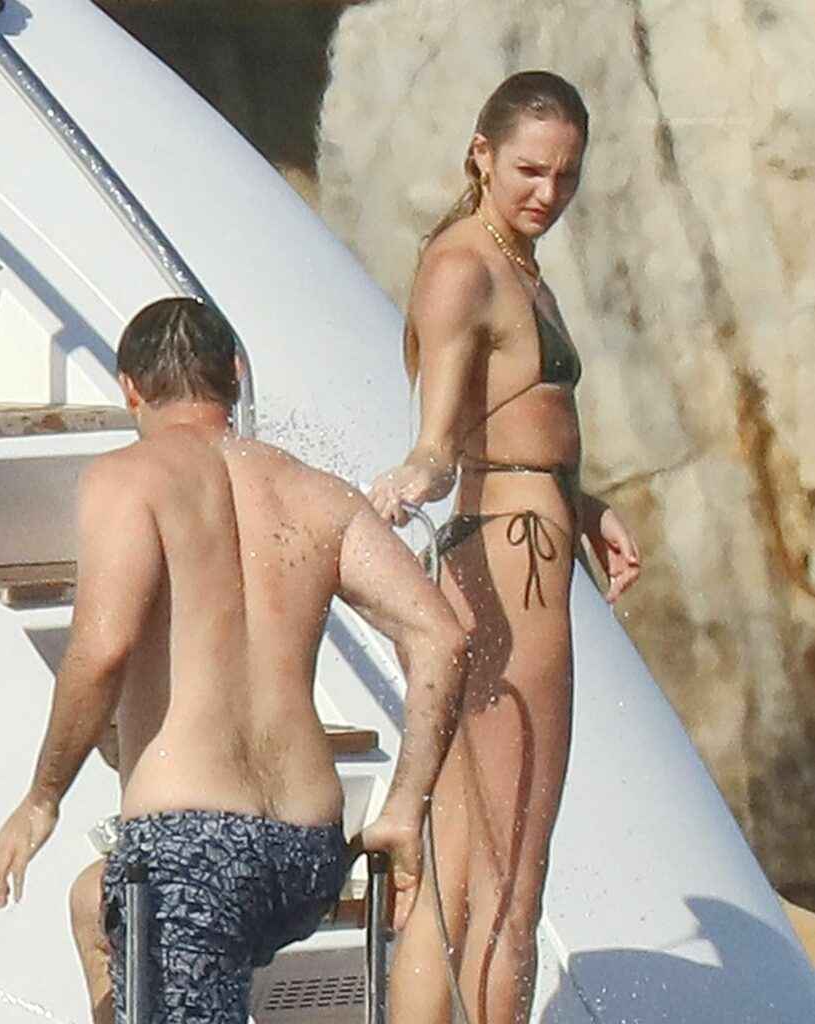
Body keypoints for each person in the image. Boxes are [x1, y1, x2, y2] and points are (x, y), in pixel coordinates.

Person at [0, 296, 469, 1024]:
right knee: (94, 900)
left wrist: (43, 797)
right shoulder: (320, 495)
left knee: (141, 903)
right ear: (236, 373)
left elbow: (103, 648)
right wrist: (404, 805)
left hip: (191, 852)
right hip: (305, 857)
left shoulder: (127, 479)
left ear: (130, 389)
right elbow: (442, 638)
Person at [369, 71, 641, 1024]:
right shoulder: (465, 267)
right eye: (529, 170)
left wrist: (584, 502)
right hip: (512, 567)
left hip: (510, 540)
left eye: (565, 175)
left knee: (451, 873)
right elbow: (441, 442)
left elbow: (510, 420)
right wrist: (411, 478)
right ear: (480, 154)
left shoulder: (504, 257)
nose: (547, 193)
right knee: (513, 887)